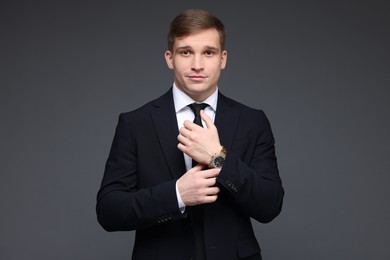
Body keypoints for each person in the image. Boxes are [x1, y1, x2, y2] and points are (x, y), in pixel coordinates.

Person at [96, 8, 284, 260]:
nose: (197, 65)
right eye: (186, 52)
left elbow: (269, 206)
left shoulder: (253, 121)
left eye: (208, 52)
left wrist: (219, 158)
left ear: (223, 59)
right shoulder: (135, 123)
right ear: (169, 58)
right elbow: (109, 211)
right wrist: (177, 195)